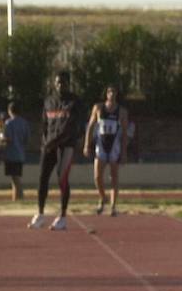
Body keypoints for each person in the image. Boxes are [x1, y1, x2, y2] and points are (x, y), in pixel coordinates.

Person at [30, 70, 84, 230]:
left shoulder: (75, 102)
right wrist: (45, 142)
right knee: (42, 179)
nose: (61, 85)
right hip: (48, 146)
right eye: (58, 82)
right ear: (54, 83)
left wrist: (60, 141)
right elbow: (44, 125)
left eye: (64, 82)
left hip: (65, 146)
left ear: (69, 83)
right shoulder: (48, 101)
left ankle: (62, 216)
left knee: (62, 179)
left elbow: (74, 126)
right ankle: (40, 214)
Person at [84, 86, 128, 215]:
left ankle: (113, 206)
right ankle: (103, 197)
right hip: (101, 145)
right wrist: (86, 145)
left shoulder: (122, 111)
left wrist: (124, 152)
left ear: (117, 94)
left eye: (114, 91)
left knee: (113, 177)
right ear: (106, 94)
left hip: (114, 145)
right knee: (97, 176)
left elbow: (125, 133)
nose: (112, 94)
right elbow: (90, 127)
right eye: (109, 91)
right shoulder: (98, 108)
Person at [0, 100, 30, 201]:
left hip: (11, 153)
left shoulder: (9, 123)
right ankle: (18, 197)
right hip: (20, 153)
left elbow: (8, 138)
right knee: (16, 177)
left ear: (9, 111)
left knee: (14, 178)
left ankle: (18, 198)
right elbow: (27, 139)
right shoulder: (24, 123)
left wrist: (1, 137)